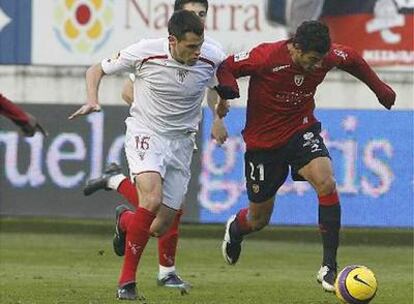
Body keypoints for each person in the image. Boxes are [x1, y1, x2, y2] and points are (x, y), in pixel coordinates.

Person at [216, 20, 396, 292]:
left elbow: (354, 59)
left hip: (300, 129)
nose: (317, 65)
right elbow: (226, 66)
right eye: (312, 60)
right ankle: (236, 229)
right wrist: (229, 89)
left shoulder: (326, 56)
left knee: (326, 182)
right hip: (263, 145)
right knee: (258, 219)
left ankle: (329, 267)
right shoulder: (265, 57)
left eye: (321, 60)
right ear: (295, 48)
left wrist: (379, 87)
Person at [69, 10, 230, 300]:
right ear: (172, 40)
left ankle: (124, 219)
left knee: (159, 225)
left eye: (200, 45)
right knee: (152, 199)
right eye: (191, 46)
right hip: (146, 133)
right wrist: (92, 99)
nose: (197, 52)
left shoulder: (212, 56)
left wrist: (219, 113)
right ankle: (126, 283)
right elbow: (96, 69)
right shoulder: (145, 51)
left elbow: (218, 87)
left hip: (182, 142)